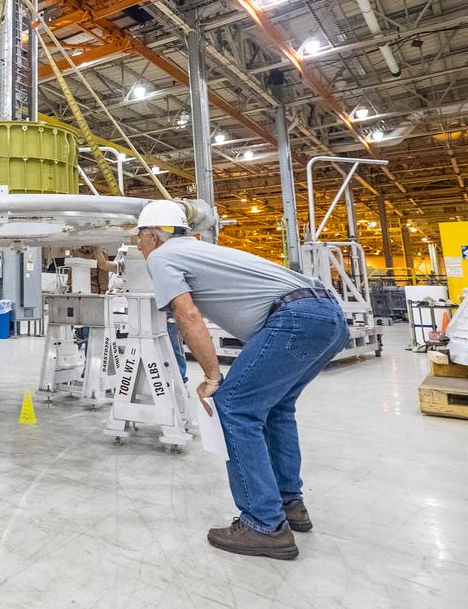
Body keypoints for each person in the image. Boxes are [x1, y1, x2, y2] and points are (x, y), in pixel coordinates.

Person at [136, 200, 348, 561]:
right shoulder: (201, 249)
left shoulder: (162, 256)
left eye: (138, 237)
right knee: (277, 408)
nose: (137, 245)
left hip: (294, 318)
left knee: (233, 405)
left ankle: (263, 525)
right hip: (328, 315)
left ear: (153, 236)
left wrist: (212, 375)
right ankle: (289, 503)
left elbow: (186, 313)